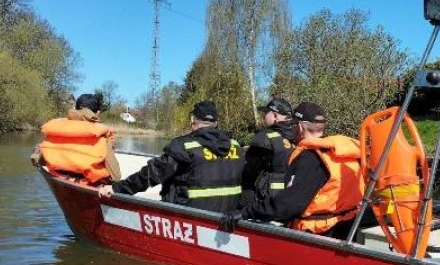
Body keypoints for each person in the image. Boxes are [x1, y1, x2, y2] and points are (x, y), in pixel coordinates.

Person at [221, 102, 364, 239]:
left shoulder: (312, 158)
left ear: (300, 127)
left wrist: (247, 212)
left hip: (316, 235)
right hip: (346, 227)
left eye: (293, 126)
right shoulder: (346, 154)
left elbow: (287, 205)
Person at [98, 101, 244, 212]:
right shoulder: (236, 146)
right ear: (216, 123)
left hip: (190, 216)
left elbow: (153, 174)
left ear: (192, 120)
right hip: (226, 216)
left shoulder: (184, 146)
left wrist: (118, 189)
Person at [34, 93, 121, 185]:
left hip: (58, 176)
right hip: (88, 183)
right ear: (98, 113)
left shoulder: (57, 129)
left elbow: (40, 160)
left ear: (75, 109)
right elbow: (116, 177)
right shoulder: (102, 136)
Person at [239, 97, 297, 207]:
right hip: (290, 199)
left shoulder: (264, 138)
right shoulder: (298, 137)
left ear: (275, 115)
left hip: (264, 202)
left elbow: (249, 172)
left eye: (266, 113)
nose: (263, 117)